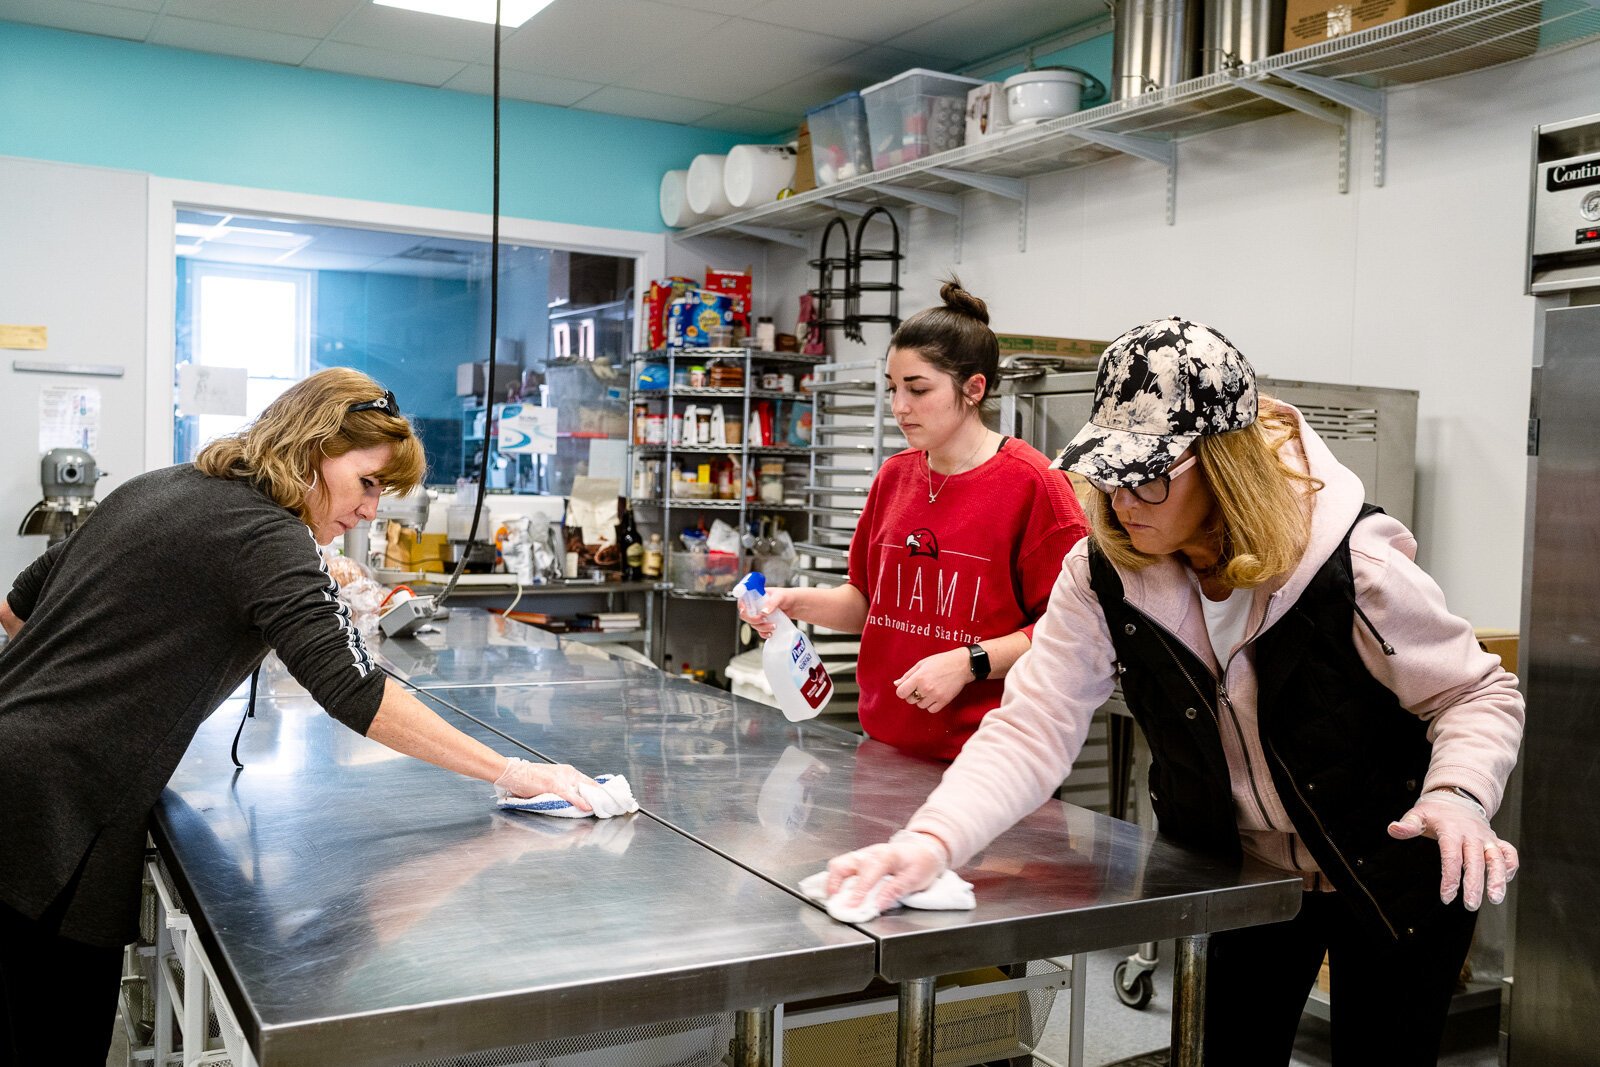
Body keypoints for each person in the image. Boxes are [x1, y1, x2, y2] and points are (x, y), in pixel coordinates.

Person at [823, 317, 1524, 1064]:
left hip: (1390, 869)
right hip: (1241, 873)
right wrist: (933, 840)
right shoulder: (1101, 576)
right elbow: (1033, 727)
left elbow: (1478, 692)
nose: (1124, 499)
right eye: (1110, 471)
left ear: (1223, 465)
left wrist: (1458, 793)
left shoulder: (1350, 562)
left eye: (1151, 473)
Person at [0, 368, 617, 1066]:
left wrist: (119, 679)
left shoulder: (159, 485)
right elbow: (356, 691)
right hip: (56, 810)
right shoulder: (266, 535)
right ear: (314, 448)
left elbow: (18, 609)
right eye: (367, 482)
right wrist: (512, 769)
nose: (370, 510)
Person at [740, 279, 1088, 760]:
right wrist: (791, 602)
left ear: (974, 388)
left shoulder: (1034, 486)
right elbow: (866, 600)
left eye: (918, 389)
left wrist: (971, 663)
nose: (900, 407)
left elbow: (1073, 631)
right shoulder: (895, 477)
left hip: (993, 761)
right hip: (885, 744)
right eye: (893, 389)